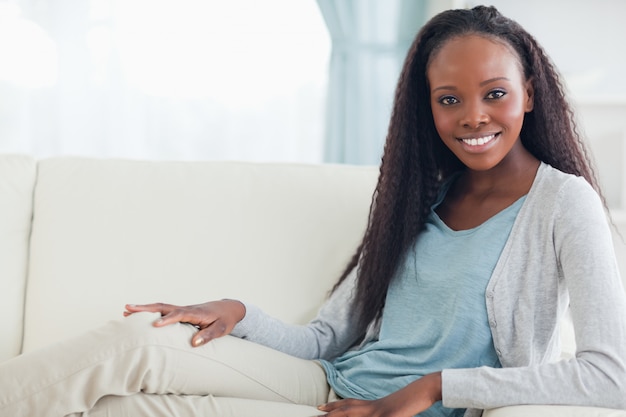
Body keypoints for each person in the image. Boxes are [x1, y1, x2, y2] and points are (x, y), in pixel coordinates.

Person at [1, 5, 626, 417]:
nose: (473, 117)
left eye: (495, 94)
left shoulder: (564, 203)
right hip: (329, 386)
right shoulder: (423, 193)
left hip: (391, 411)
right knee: (134, 356)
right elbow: (327, 339)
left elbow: (609, 374)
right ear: (427, 108)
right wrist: (240, 314)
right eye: (448, 99)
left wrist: (436, 387)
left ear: (530, 94)